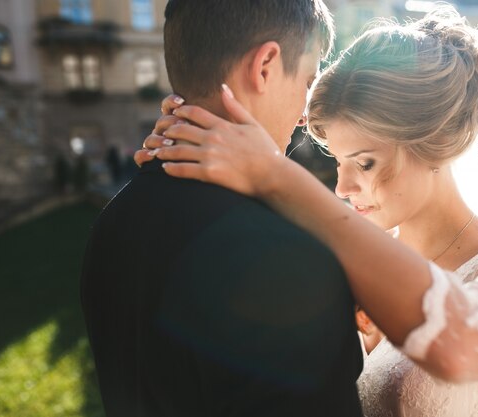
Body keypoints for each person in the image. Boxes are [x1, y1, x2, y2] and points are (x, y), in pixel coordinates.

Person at [136, 7, 478, 417]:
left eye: (365, 163)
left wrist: (274, 175)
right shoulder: (342, 262)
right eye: (338, 164)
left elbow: (467, 348)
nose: (342, 188)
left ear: (436, 145)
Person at [81, 1, 363, 416]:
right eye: (306, 81)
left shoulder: (113, 219)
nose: (304, 116)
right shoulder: (288, 258)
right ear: (265, 65)